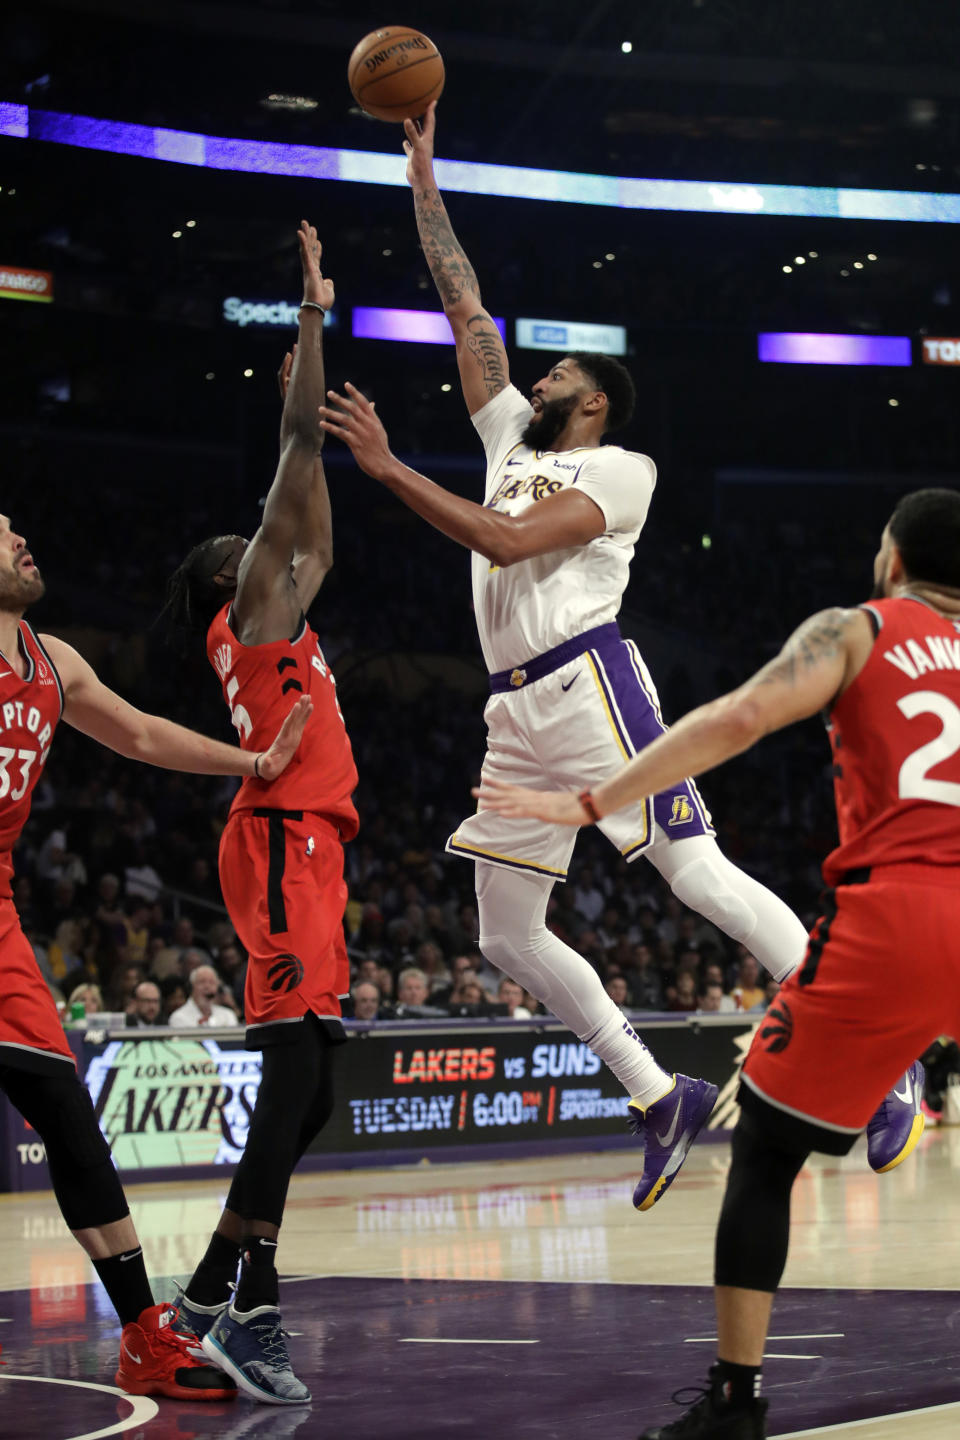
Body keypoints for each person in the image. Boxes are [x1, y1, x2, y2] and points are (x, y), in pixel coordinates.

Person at [318, 101, 836, 1212]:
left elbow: (504, 539)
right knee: (504, 933)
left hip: (590, 679)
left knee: (689, 872)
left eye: (551, 375)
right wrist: (424, 174)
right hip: (515, 710)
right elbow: (465, 305)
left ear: (590, 401)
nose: (531, 380)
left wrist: (390, 468)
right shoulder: (510, 436)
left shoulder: (623, 471)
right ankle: (660, 1098)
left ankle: (846, 1045)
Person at [475, 487, 956, 1437]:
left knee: (767, 1158)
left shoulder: (854, 628)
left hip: (899, 916)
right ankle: (891, 1093)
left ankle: (734, 1406)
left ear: (890, 561)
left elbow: (739, 718)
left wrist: (598, 797)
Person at [0, 511, 309, 1404]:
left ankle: (143, 1335)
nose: (25, 539)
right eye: (4, 532)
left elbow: (138, 733)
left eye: (26, 527)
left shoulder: (51, 659)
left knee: (65, 1108)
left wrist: (251, 761)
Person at [163, 222, 357, 1405]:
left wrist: (321, 438)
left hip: (314, 848)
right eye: (241, 548)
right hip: (281, 842)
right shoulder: (250, 614)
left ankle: (204, 1290)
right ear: (221, 583)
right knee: (293, 1079)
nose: (264, 542)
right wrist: (310, 318)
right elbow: (290, 458)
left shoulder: (293, 609)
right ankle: (256, 1310)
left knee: (318, 1088)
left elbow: (317, 525)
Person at [168, 964, 237, 1028]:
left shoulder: (228, 1015)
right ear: (192, 986)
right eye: (202, 982)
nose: (207, 986)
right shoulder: (178, 1017)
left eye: (211, 982)